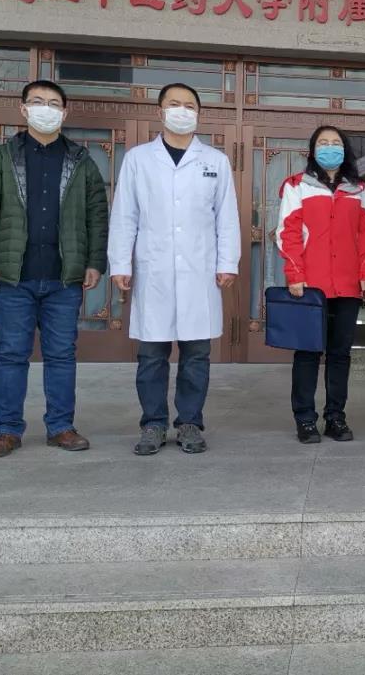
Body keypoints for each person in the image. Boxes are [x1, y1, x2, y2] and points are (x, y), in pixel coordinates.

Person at [0, 80, 109, 458]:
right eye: (37, 101)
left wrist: (95, 262)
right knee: (11, 355)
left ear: (64, 112)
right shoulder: (0, 159)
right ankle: (6, 430)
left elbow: (97, 216)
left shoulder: (81, 161)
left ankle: (61, 426)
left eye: (53, 103)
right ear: (24, 109)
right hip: (13, 277)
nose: (45, 108)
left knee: (61, 355)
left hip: (64, 279)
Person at [108, 82, 240, 456]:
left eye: (189, 106)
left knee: (196, 354)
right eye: (174, 104)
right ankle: (153, 423)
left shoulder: (214, 161)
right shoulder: (138, 159)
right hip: (154, 271)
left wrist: (227, 262)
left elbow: (226, 217)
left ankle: (189, 423)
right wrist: (120, 262)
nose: (182, 111)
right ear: (160, 111)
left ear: (198, 114)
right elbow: (125, 214)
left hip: (200, 271)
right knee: (152, 354)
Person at [277, 126, 365, 444]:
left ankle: (336, 417)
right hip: (310, 285)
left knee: (340, 354)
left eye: (336, 143)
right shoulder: (296, 186)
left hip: (347, 284)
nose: (329, 147)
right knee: (307, 353)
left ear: (345, 150)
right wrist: (295, 274)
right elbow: (288, 233)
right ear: (312, 150)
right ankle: (305, 419)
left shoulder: (358, 190)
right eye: (323, 143)